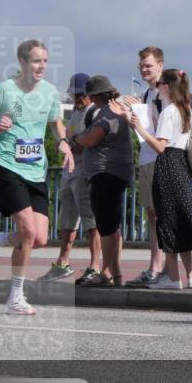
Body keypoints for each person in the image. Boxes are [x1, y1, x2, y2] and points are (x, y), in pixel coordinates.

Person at [0, 40, 75, 316]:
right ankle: (15, 296)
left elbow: (55, 121)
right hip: (7, 166)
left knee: (39, 238)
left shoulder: (50, 92)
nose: (41, 66)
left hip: (36, 170)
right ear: (22, 62)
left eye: (45, 61)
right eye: (36, 61)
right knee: (28, 231)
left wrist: (63, 142)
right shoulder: (4, 90)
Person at [116, 68, 192, 288]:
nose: (157, 87)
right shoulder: (185, 109)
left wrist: (139, 127)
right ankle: (190, 276)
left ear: (166, 87)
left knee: (167, 221)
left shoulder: (169, 111)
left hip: (167, 166)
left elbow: (161, 146)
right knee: (182, 219)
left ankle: (172, 278)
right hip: (181, 165)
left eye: (160, 83)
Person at [40, 73, 104, 284]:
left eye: (80, 95)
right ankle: (62, 262)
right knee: (67, 220)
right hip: (70, 173)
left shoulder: (93, 112)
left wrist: (73, 143)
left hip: (85, 173)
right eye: (74, 95)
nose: (77, 99)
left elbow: (92, 142)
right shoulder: (76, 112)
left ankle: (95, 264)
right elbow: (66, 136)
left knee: (90, 221)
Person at [74, 76, 134, 286]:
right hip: (116, 172)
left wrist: (75, 138)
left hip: (106, 173)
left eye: (90, 96)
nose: (88, 99)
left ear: (97, 96)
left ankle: (107, 272)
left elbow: (90, 140)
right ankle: (115, 273)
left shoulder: (108, 114)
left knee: (106, 226)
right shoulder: (115, 109)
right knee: (112, 225)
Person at [123, 46, 166, 288]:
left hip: (160, 158)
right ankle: (155, 267)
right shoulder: (149, 94)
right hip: (148, 157)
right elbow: (144, 130)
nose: (144, 69)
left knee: (161, 215)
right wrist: (133, 116)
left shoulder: (163, 92)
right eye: (141, 66)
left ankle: (163, 269)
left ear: (160, 66)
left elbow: (164, 129)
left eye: (148, 65)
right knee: (152, 215)